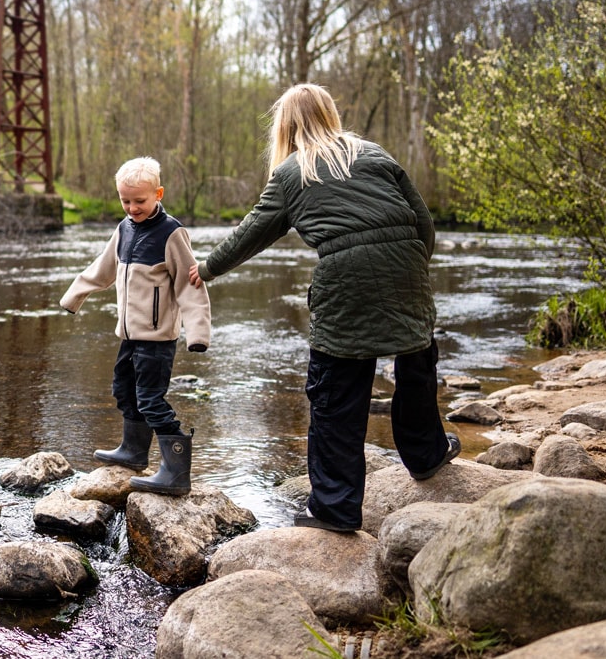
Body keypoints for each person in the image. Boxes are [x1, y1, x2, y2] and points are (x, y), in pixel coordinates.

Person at [189, 83, 459, 532]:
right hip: (408, 267)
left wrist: (206, 269)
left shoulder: (291, 173)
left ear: (285, 127)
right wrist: (409, 269)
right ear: (330, 115)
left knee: (336, 391)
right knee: (416, 365)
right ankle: (427, 455)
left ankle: (335, 507)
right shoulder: (374, 153)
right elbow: (423, 222)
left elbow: (251, 233)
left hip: (345, 278)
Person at [61, 156, 210, 496]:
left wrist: (198, 333)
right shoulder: (124, 229)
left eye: (139, 200)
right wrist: (74, 295)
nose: (132, 208)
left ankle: (176, 472)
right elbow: (103, 268)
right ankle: (133, 450)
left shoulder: (171, 233)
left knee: (151, 400)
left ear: (158, 193)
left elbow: (190, 285)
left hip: (157, 339)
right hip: (129, 336)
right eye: (125, 201)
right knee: (124, 389)